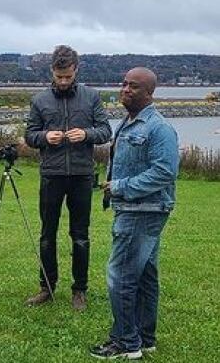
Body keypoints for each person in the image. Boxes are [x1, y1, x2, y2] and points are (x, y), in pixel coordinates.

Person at [89, 67, 178, 359]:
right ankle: (145, 337)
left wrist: (120, 186)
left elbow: (164, 172)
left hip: (142, 209)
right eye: (124, 83)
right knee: (144, 275)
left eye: (134, 86)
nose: (125, 89)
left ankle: (126, 342)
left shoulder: (158, 128)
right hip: (135, 207)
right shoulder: (128, 122)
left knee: (122, 276)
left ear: (150, 93)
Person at [24, 45, 111, 310]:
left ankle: (79, 291)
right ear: (52, 70)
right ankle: (46, 288)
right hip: (51, 175)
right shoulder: (39, 101)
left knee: (80, 235)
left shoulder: (92, 97)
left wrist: (85, 134)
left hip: (82, 176)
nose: (63, 81)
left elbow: (105, 131)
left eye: (68, 77)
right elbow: (30, 135)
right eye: (59, 76)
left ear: (76, 70)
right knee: (47, 235)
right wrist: (43, 138)